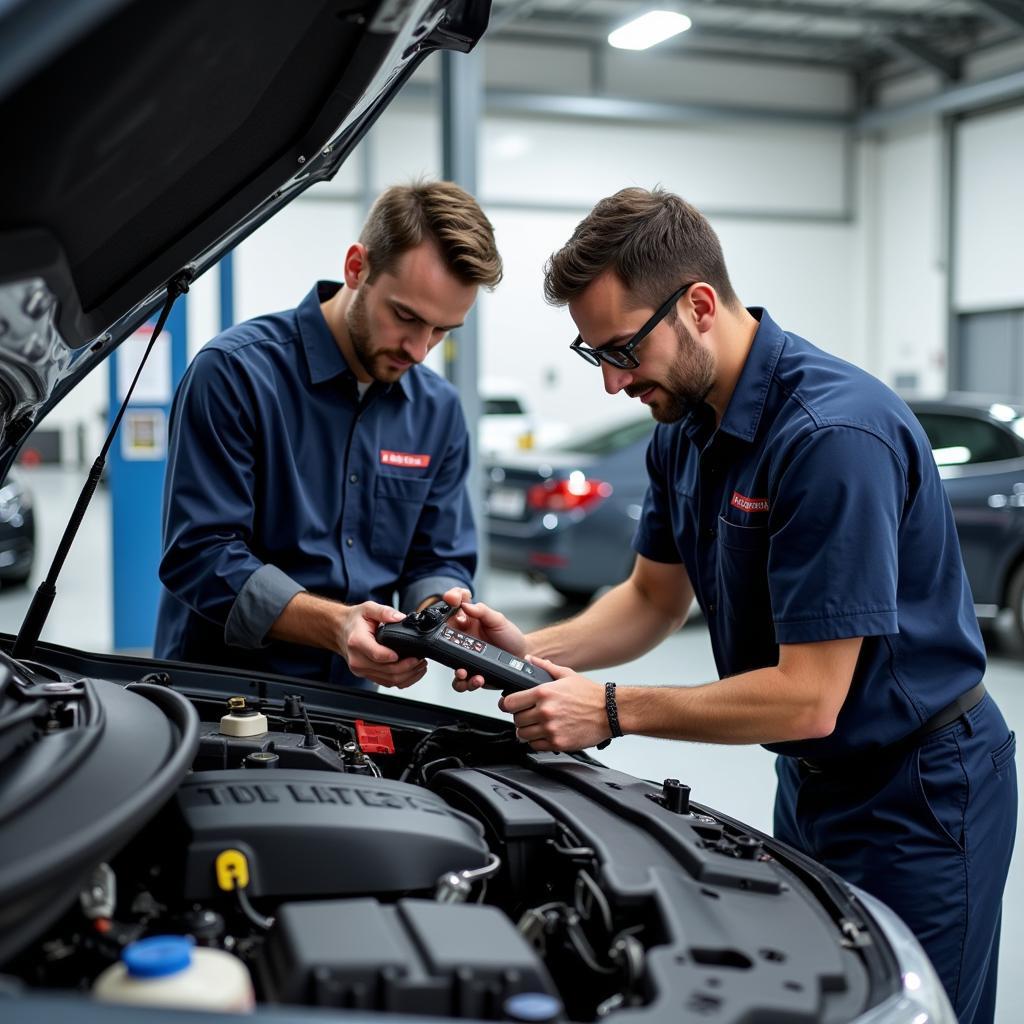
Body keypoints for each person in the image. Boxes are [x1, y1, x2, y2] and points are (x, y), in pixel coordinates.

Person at [443, 187, 1017, 1024]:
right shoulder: (683, 423)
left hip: (922, 794)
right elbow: (650, 599)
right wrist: (529, 647)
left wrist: (608, 709)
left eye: (624, 348)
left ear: (699, 305)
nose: (611, 381)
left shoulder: (830, 439)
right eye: (592, 352)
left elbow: (808, 696)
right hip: (814, 781)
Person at [155, 181, 502, 690]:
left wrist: (439, 617)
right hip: (219, 694)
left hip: (354, 703)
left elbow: (437, 556)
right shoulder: (235, 373)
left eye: (443, 330)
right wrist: (337, 627)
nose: (420, 350)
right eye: (406, 316)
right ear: (356, 268)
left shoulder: (438, 411)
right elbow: (201, 554)